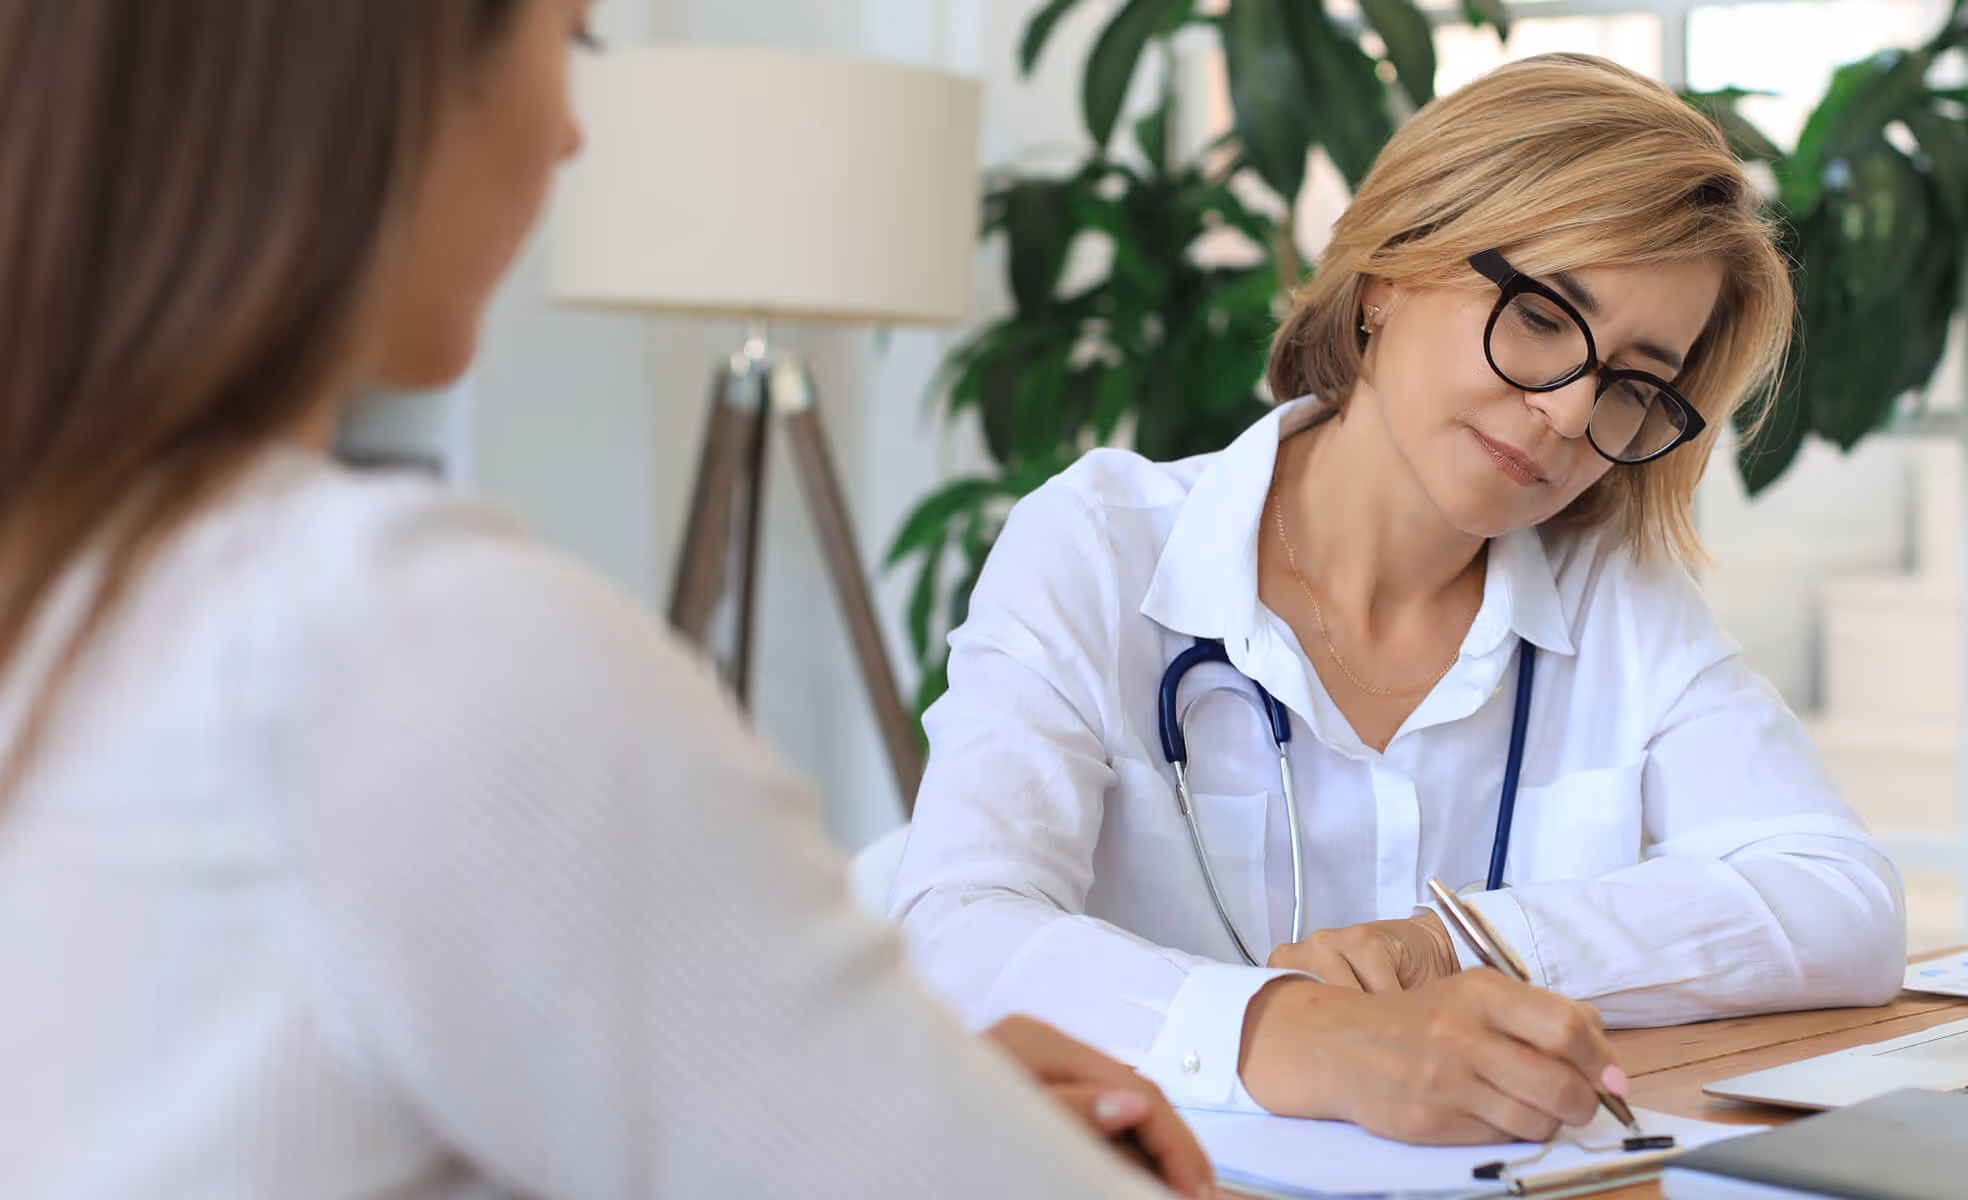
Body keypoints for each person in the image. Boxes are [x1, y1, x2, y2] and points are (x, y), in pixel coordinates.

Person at [0, 2, 1210, 1196]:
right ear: (403, 76)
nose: (576, 137)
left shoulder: (80, 594)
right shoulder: (412, 649)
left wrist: (872, 1098)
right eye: (571, 44)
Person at [890, 52, 1907, 1147]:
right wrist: (1299, 1035)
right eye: (1539, 318)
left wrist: (1460, 945)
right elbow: (957, 933)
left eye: (1631, 382)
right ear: (1387, 275)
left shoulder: (1612, 595)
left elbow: (1842, 906)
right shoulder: (1101, 547)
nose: (1570, 415)